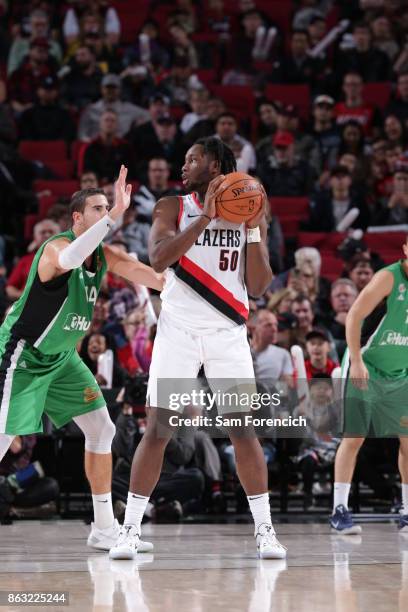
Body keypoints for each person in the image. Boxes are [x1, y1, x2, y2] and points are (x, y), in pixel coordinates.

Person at [109, 137, 287, 560]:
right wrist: (205, 217)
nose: (184, 164)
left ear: (217, 163)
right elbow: (158, 258)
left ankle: (264, 529)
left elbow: (260, 287)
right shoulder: (172, 206)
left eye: (193, 159)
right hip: (179, 330)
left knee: (243, 430)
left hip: (228, 331)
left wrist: (255, 229)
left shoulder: (247, 211)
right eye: (185, 158)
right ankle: (129, 530)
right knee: (158, 430)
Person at [0, 167, 164, 553]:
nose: (106, 213)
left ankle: (104, 528)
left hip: (60, 360)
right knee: (3, 438)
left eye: (107, 207)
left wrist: (205, 289)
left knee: (101, 430)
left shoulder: (104, 255)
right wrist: (115, 215)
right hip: (22, 355)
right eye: (97, 208)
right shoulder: (56, 249)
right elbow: (72, 258)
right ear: (77, 218)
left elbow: (146, 273)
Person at [330, 240, 408, 535]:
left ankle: (407, 511)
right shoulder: (388, 277)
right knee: (354, 437)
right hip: (366, 363)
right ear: (405, 249)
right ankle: (340, 510)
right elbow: (354, 316)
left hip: (400, 370)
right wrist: (358, 361)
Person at [78, 73, 149, 141]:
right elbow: (82, 134)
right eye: (108, 88)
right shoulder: (90, 110)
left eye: (114, 88)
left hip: (121, 148)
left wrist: (140, 125)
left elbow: (149, 116)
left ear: (120, 89)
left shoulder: (129, 109)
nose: (110, 91)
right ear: (101, 89)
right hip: (96, 148)